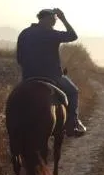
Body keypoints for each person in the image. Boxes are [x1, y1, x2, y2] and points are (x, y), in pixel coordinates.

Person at [16, 8, 86, 137]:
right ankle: (72, 124)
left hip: (28, 76)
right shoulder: (51, 34)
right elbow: (73, 36)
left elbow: (19, 58)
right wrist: (63, 18)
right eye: (54, 19)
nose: (54, 22)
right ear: (48, 19)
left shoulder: (25, 33)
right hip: (52, 76)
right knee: (73, 92)